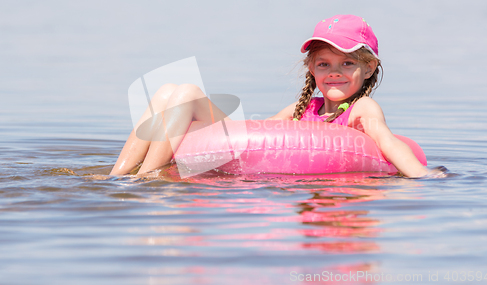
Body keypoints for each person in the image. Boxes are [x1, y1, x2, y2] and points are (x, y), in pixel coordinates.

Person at [111, 14, 440, 178]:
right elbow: (262, 134)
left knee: (181, 92)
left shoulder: (362, 107)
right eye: (324, 64)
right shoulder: (303, 108)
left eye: (347, 63)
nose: (334, 72)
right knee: (177, 91)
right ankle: (120, 175)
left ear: (369, 69)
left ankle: (147, 178)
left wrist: (423, 176)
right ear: (311, 68)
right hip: (250, 152)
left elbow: (386, 140)